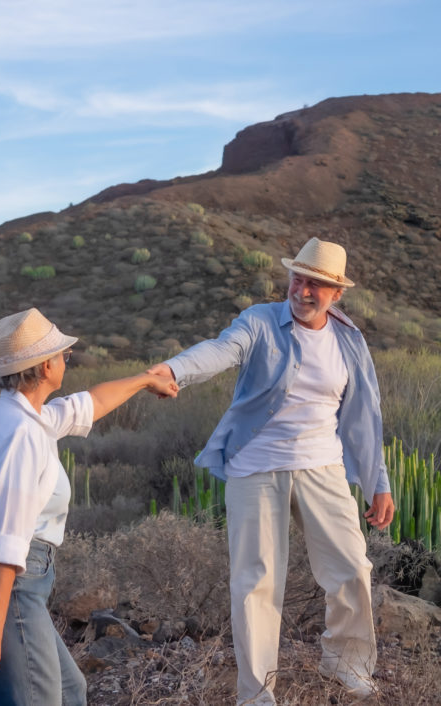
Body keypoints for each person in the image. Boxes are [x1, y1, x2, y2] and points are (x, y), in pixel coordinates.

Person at [149, 237, 394, 702]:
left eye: (315, 285)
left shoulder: (349, 340)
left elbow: (365, 415)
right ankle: (257, 693)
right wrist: (174, 370)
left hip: (322, 465)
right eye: (297, 279)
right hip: (256, 467)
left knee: (352, 568)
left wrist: (377, 482)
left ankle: (346, 663)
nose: (302, 291)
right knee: (256, 584)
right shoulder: (260, 321)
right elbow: (222, 350)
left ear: (337, 293)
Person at [0, 307, 179, 706]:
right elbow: (3, 539)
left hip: (20, 588)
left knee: (69, 692)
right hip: (8, 589)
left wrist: (144, 380)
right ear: (45, 365)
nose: (67, 360)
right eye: (63, 355)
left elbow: (86, 404)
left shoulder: (23, 418)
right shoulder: (21, 434)